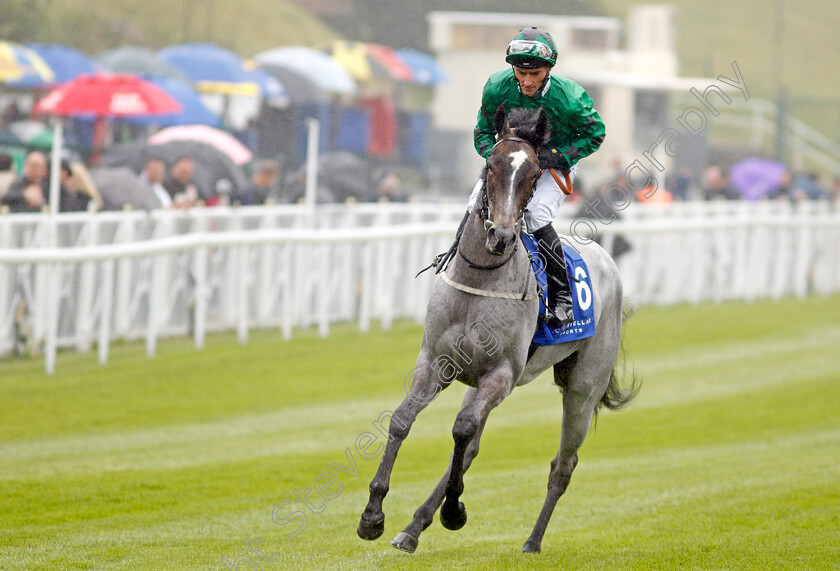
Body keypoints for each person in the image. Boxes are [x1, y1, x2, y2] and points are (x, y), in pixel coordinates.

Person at [448, 27, 606, 326]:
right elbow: (482, 131)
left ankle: (562, 295)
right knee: (474, 207)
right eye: (521, 73)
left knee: (533, 217)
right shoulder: (497, 87)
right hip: (509, 163)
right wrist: (496, 159)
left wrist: (556, 157)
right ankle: (451, 266)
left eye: (536, 74)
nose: (527, 81)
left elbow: (596, 134)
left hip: (552, 163)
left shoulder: (570, 96)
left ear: (549, 69)